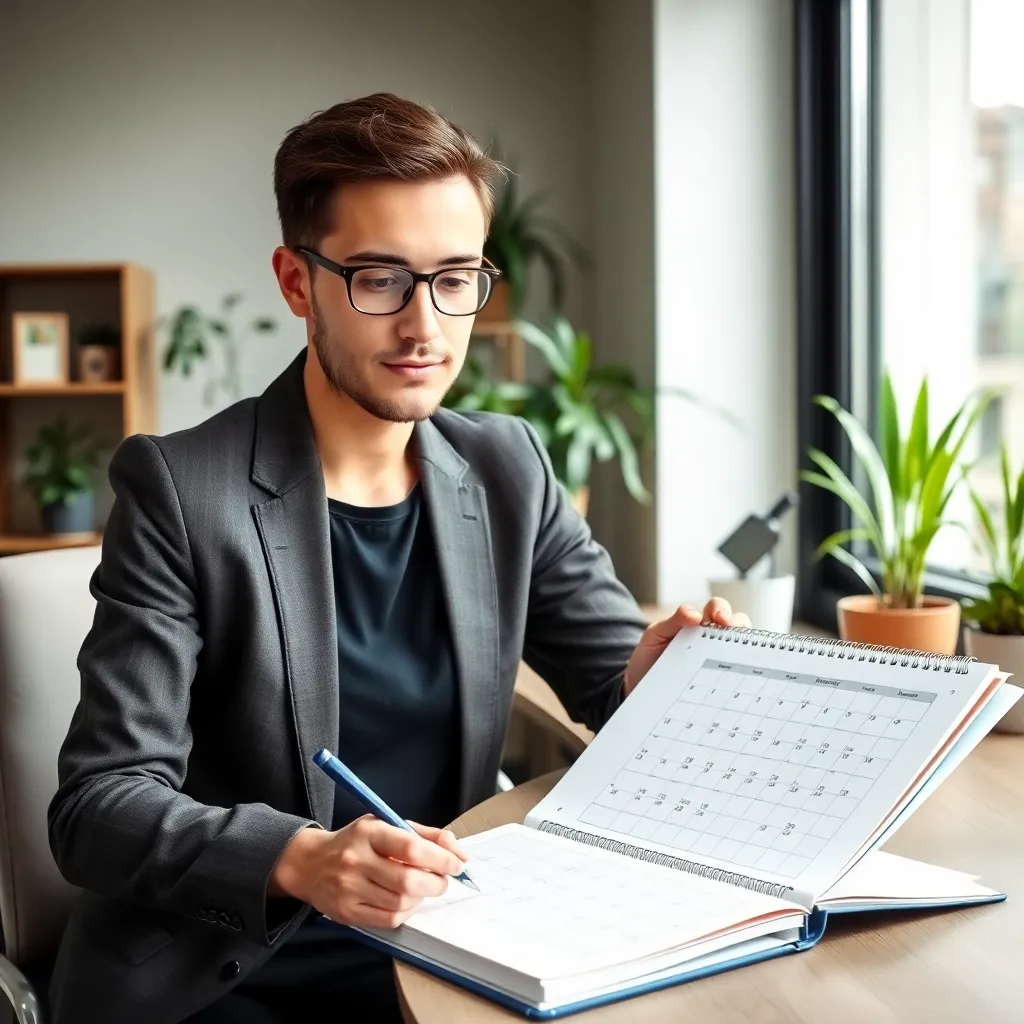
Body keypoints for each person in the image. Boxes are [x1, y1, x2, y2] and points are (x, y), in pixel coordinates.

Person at [45, 93, 750, 1024]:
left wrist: (651, 680)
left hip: (447, 947)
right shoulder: (182, 490)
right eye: (380, 279)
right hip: (232, 969)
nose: (426, 326)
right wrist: (301, 858)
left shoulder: (508, 468)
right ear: (298, 283)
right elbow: (98, 806)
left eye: (455, 278)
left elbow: (609, 687)